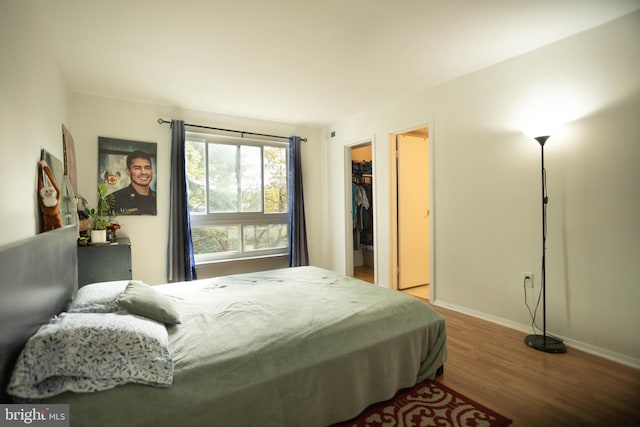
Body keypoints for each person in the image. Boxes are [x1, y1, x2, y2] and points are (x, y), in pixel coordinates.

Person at [111, 151, 157, 215]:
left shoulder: (159, 198)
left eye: (147, 168)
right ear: (128, 171)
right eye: (137, 168)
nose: (143, 172)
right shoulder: (114, 200)